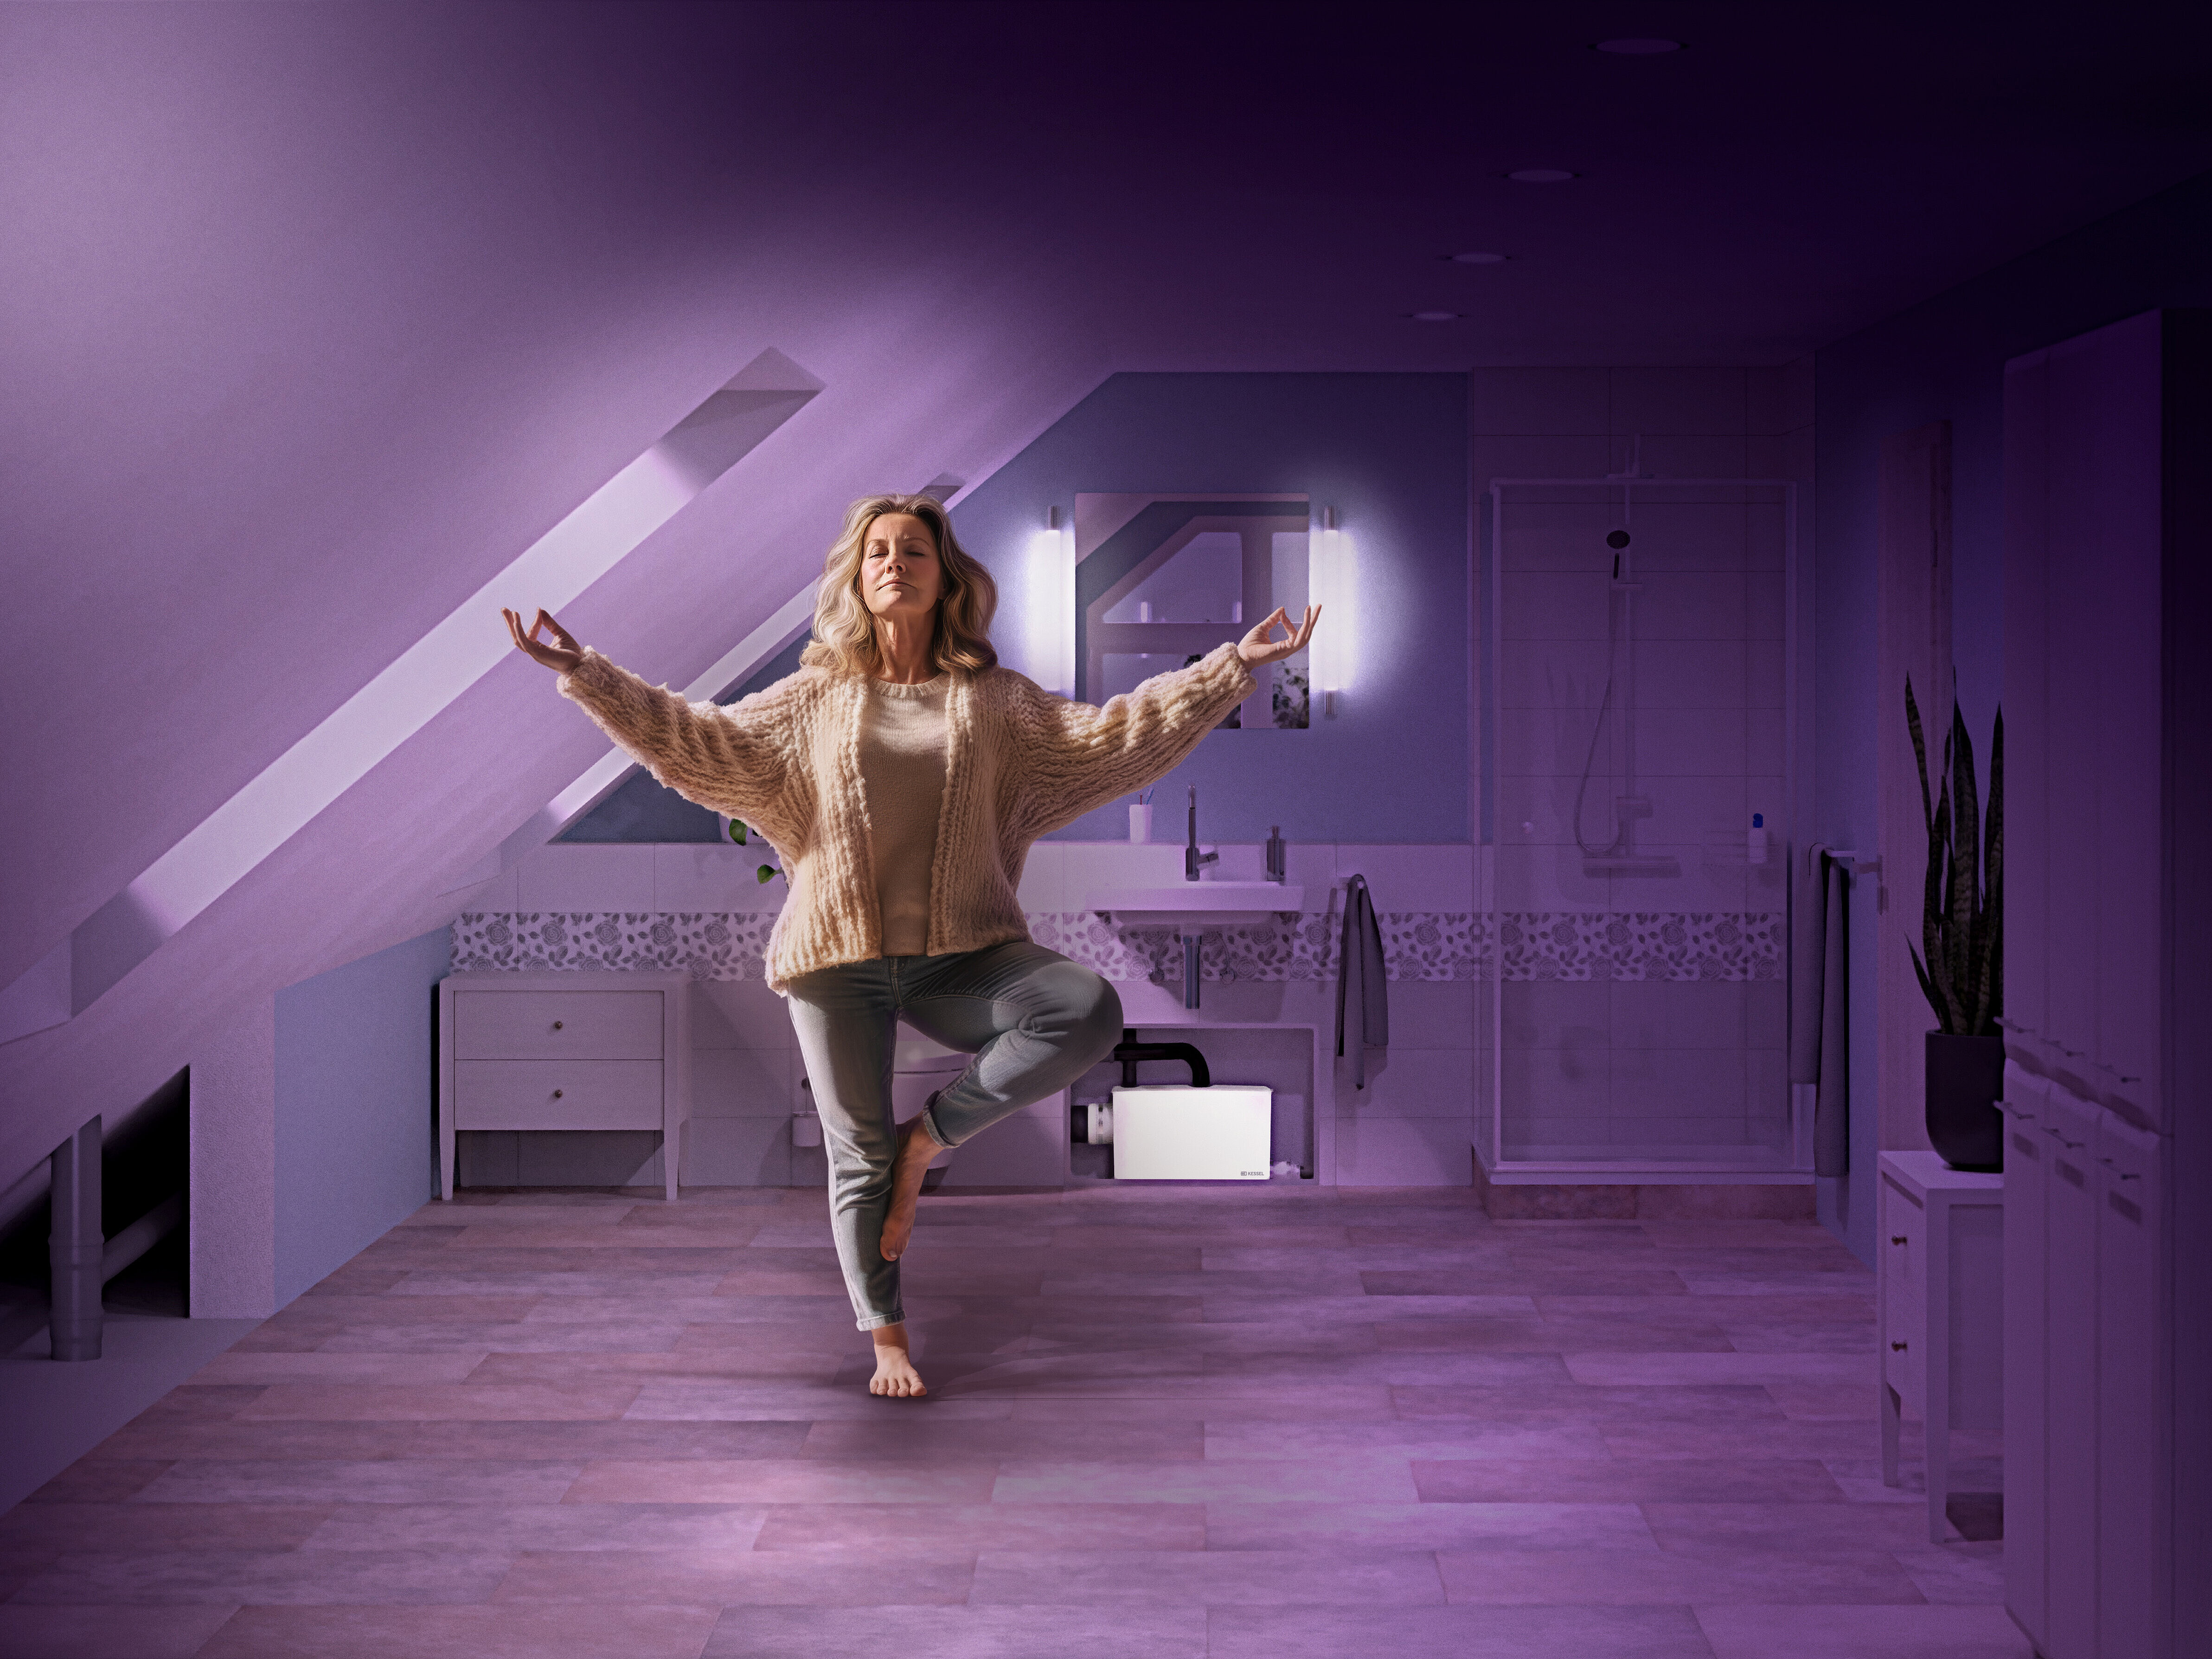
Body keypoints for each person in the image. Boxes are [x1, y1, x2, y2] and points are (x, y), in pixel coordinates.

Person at [503, 493, 1319, 1396]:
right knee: (855, 1153)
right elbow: (692, 739)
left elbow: (1119, 736)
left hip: (959, 960)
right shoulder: (810, 701)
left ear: (945, 578)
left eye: (914, 552)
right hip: (836, 962)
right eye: (879, 552)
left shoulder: (998, 706)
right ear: (858, 577)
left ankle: (926, 1143)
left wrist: (1232, 666)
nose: (895, 563)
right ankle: (887, 1335)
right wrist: (584, 671)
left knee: (1084, 1009)